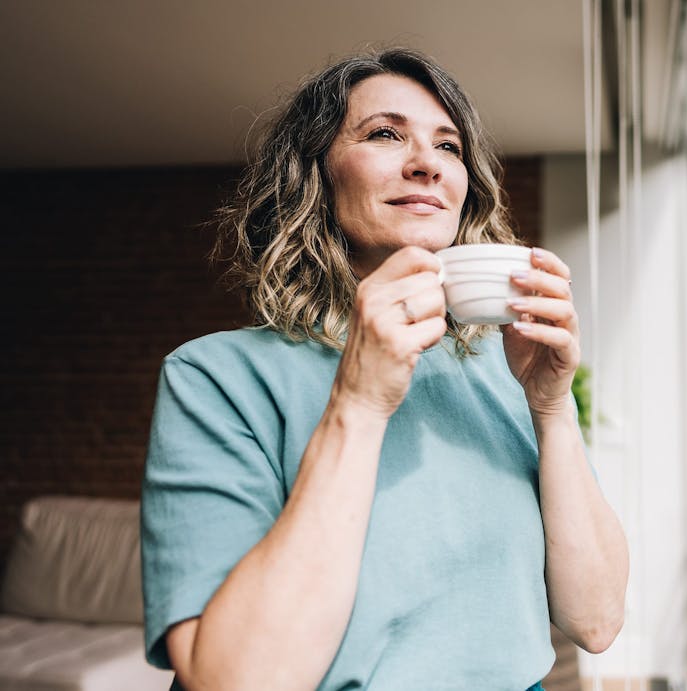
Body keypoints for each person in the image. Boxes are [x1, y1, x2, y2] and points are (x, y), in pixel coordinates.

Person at [141, 47, 628, 691]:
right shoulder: (216, 378)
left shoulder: (507, 368)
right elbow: (232, 679)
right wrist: (358, 402)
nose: (427, 163)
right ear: (316, 176)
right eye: (385, 134)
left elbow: (595, 621)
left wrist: (551, 406)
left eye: (449, 146)